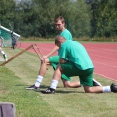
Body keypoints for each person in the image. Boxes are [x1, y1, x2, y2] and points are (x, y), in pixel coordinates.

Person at [26, 16, 101, 90]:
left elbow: (57, 46)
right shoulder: (61, 33)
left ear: (63, 23)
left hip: (65, 58)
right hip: (63, 58)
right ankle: (90, 81)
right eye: (55, 25)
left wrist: (47, 55)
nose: (57, 26)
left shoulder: (65, 33)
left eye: (59, 24)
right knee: (67, 85)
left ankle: (37, 84)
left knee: (45, 61)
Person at [41, 36, 117, 94]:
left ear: (60, 42)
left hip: (80, 67)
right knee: (89, 90)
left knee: (59, 66)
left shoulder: (64, 45)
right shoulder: (76, 43)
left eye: (58, 46)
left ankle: (51, 89)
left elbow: (61, 61)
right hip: (90, 68)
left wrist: (66, 61)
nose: (59, 48)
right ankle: (111, 88)